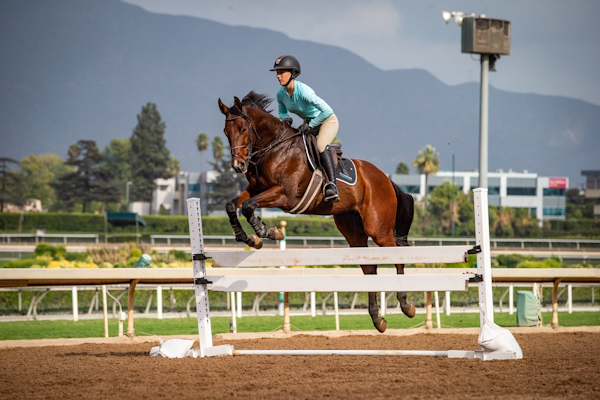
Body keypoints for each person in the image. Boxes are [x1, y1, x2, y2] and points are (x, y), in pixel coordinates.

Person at [270, 55, 340, 202]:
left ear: (293, 73)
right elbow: (282, 112)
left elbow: (327, 111)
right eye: (277, 72)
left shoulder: (305, 91)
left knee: (320, 145)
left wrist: (311, 125)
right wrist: (285, 119)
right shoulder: (280, 94)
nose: (278, 76)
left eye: (282, 72)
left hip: (327, 121)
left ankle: (332, 186)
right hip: (309, 124)